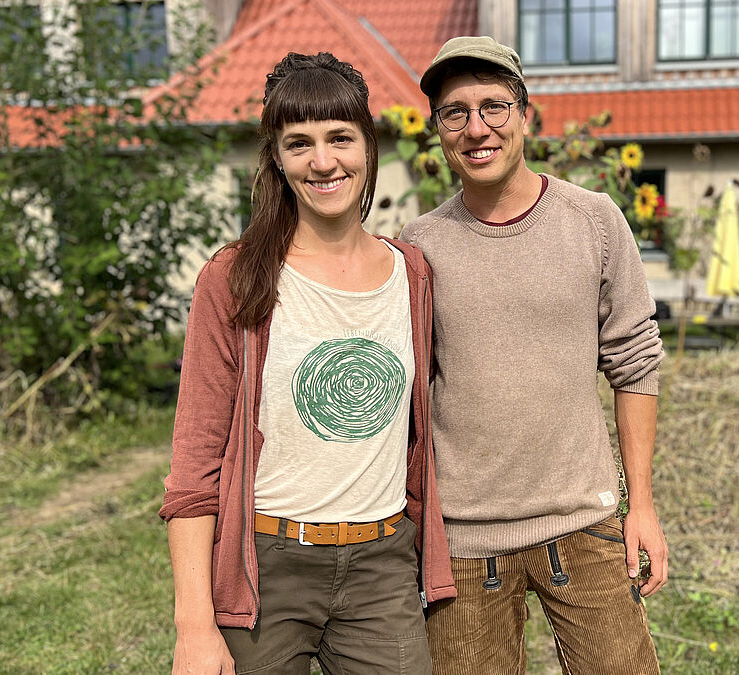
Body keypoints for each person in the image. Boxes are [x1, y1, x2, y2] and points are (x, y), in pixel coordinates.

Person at [160, 52, 454, 675]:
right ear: (277, 158)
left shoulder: (413, 276)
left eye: (340, 138)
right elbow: (194, 468)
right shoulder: (235, 278)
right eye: (300, 143)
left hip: (382, 565)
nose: (323, 161)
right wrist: (194, 624)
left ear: (369, 148)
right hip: (267, 569)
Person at [399, 36, 667, 675]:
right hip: (464, 539)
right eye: (454, 112)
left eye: (493, 107)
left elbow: (635, 364)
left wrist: (644, 507)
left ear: (525, 114)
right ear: (437, 130)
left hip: (585, 523)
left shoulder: (593, 221)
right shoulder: (418, 246)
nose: (476, 128)